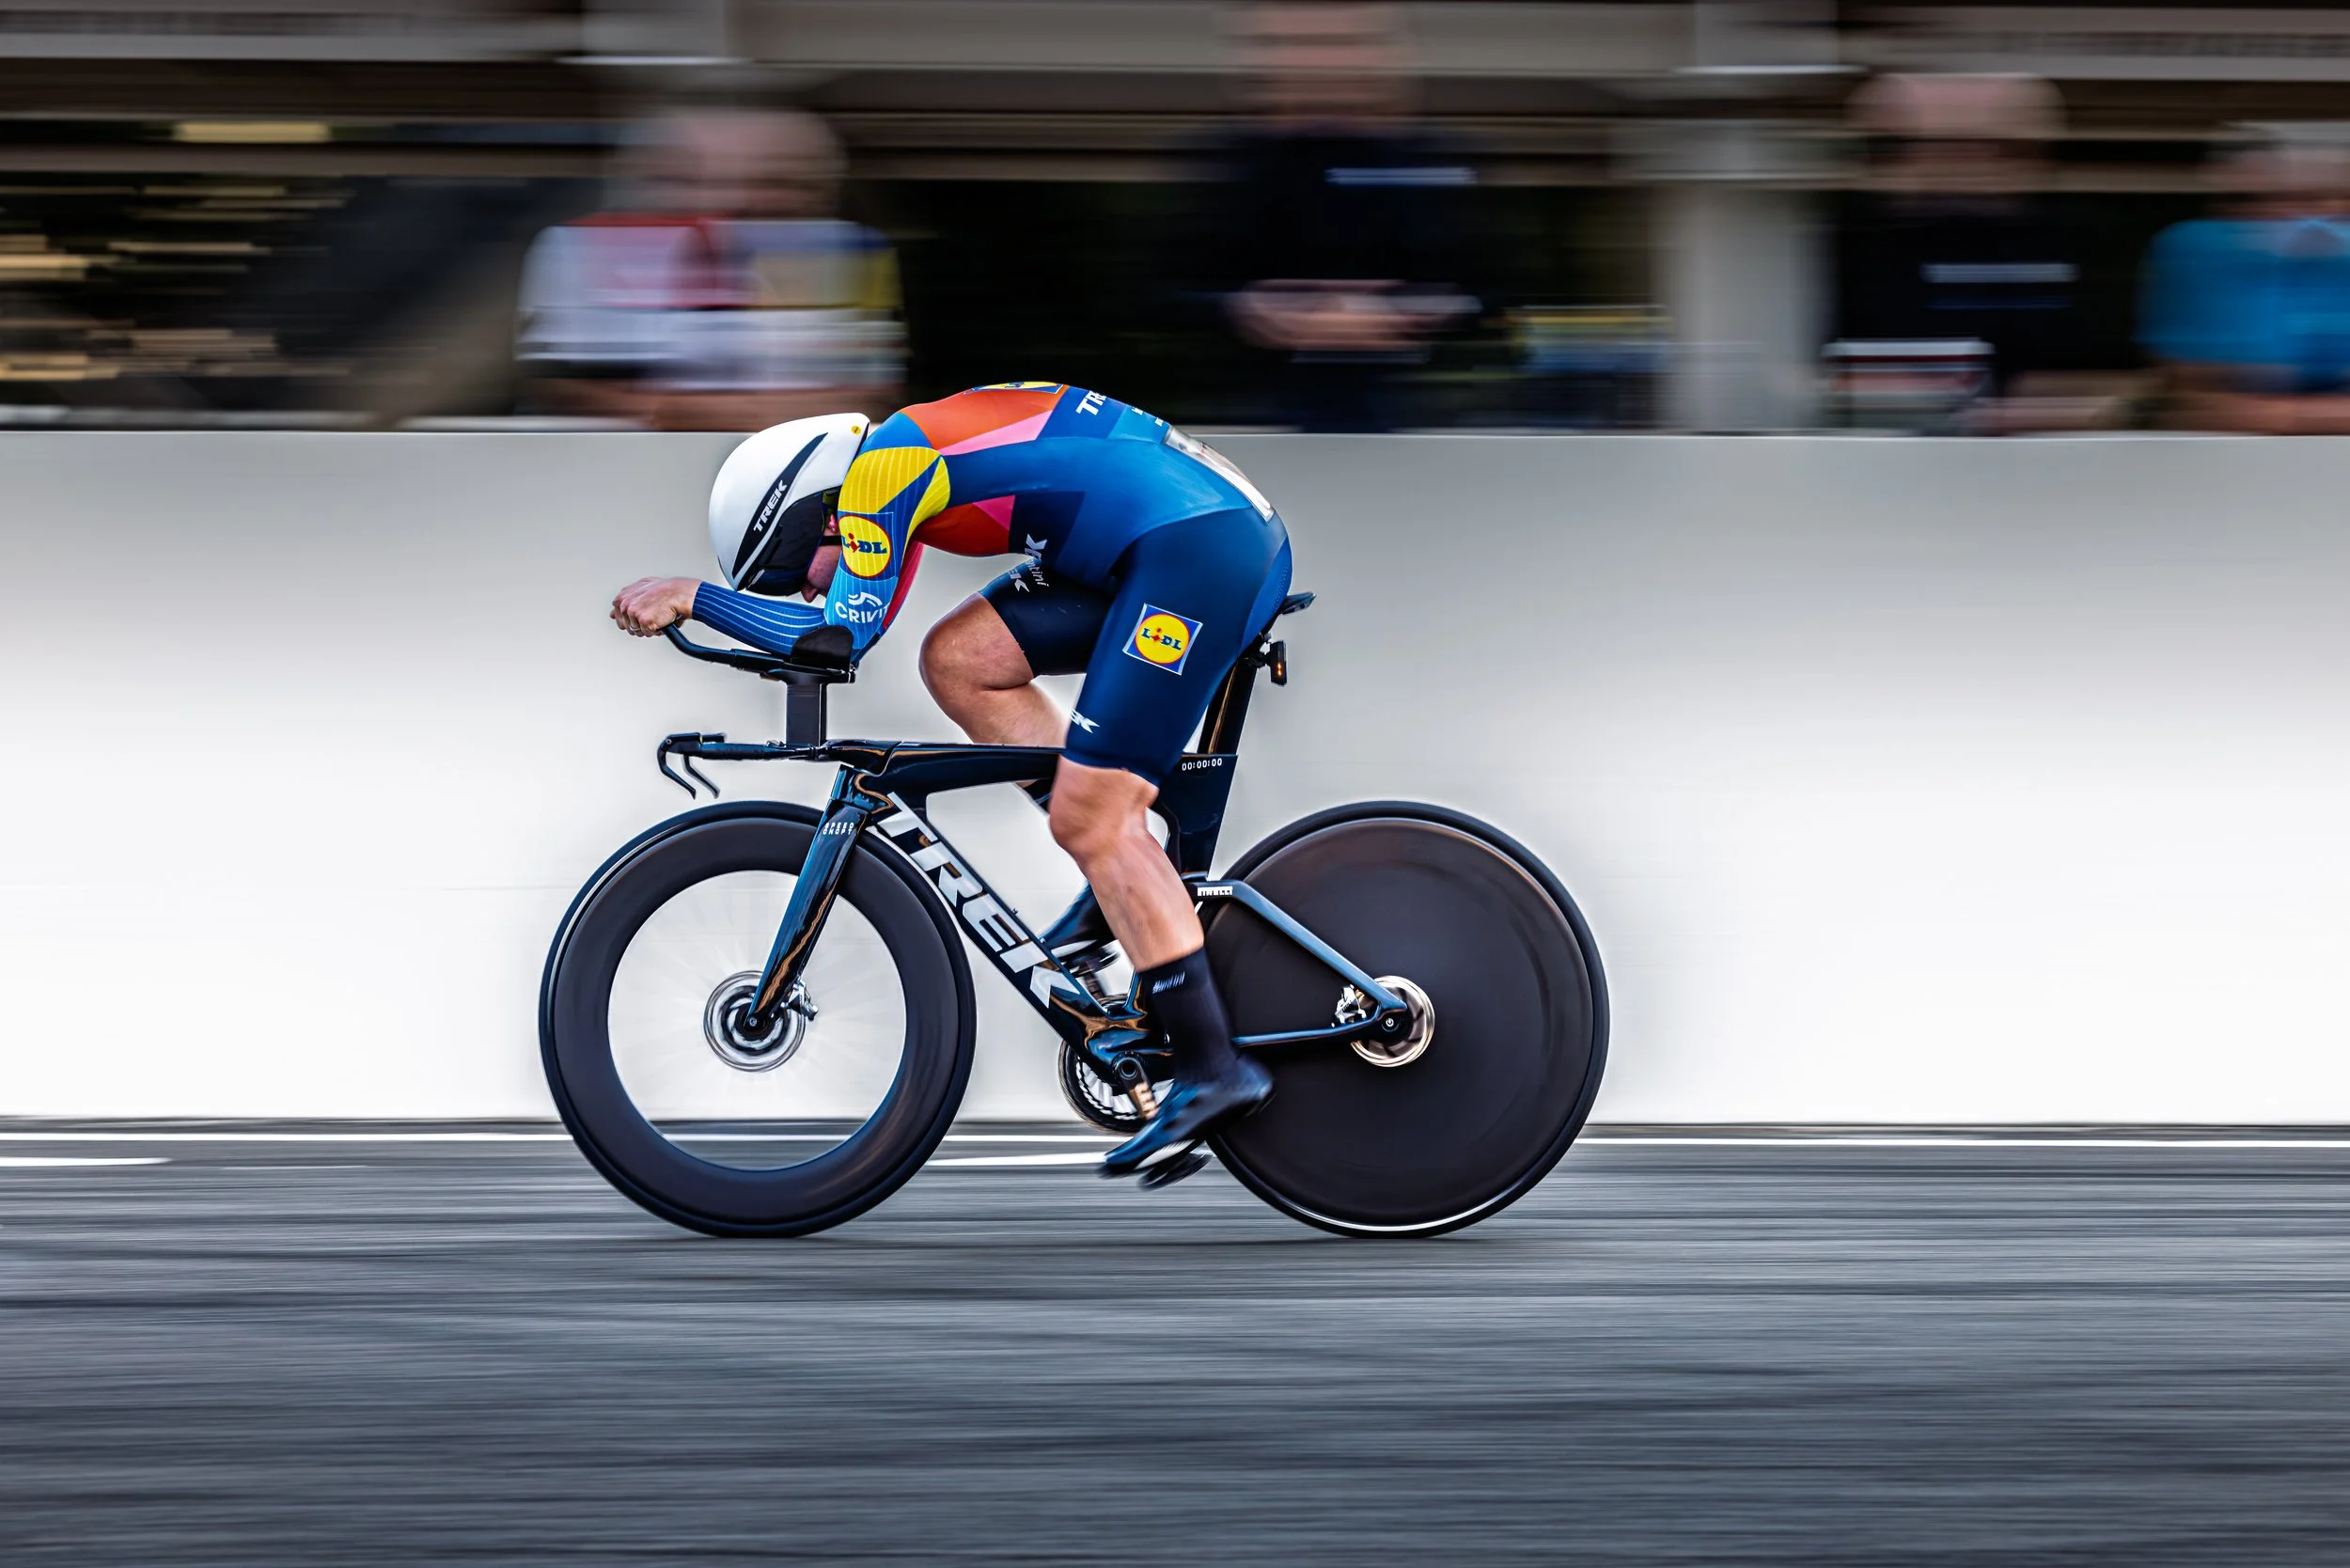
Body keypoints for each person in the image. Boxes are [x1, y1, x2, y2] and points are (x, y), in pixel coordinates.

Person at [608, 384, 1292, 1177]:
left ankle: (1215, 1068)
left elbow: (835, 633)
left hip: (1196, 549)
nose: (803, 590)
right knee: (960, 659)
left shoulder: (880, 475)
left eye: (795, 571)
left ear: (816, 516)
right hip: (1173, 540)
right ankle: (1117, 866)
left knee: (1093, 815)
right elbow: (842, 639)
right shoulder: (898, 473)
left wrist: (694, 598)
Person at [517, 105, 902, 431]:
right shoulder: (580, 248)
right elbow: (573, 393)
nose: (737, 199)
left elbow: (860, 407)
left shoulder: (848, 253)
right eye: (685, 179)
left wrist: (663, 408)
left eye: (779, 181)